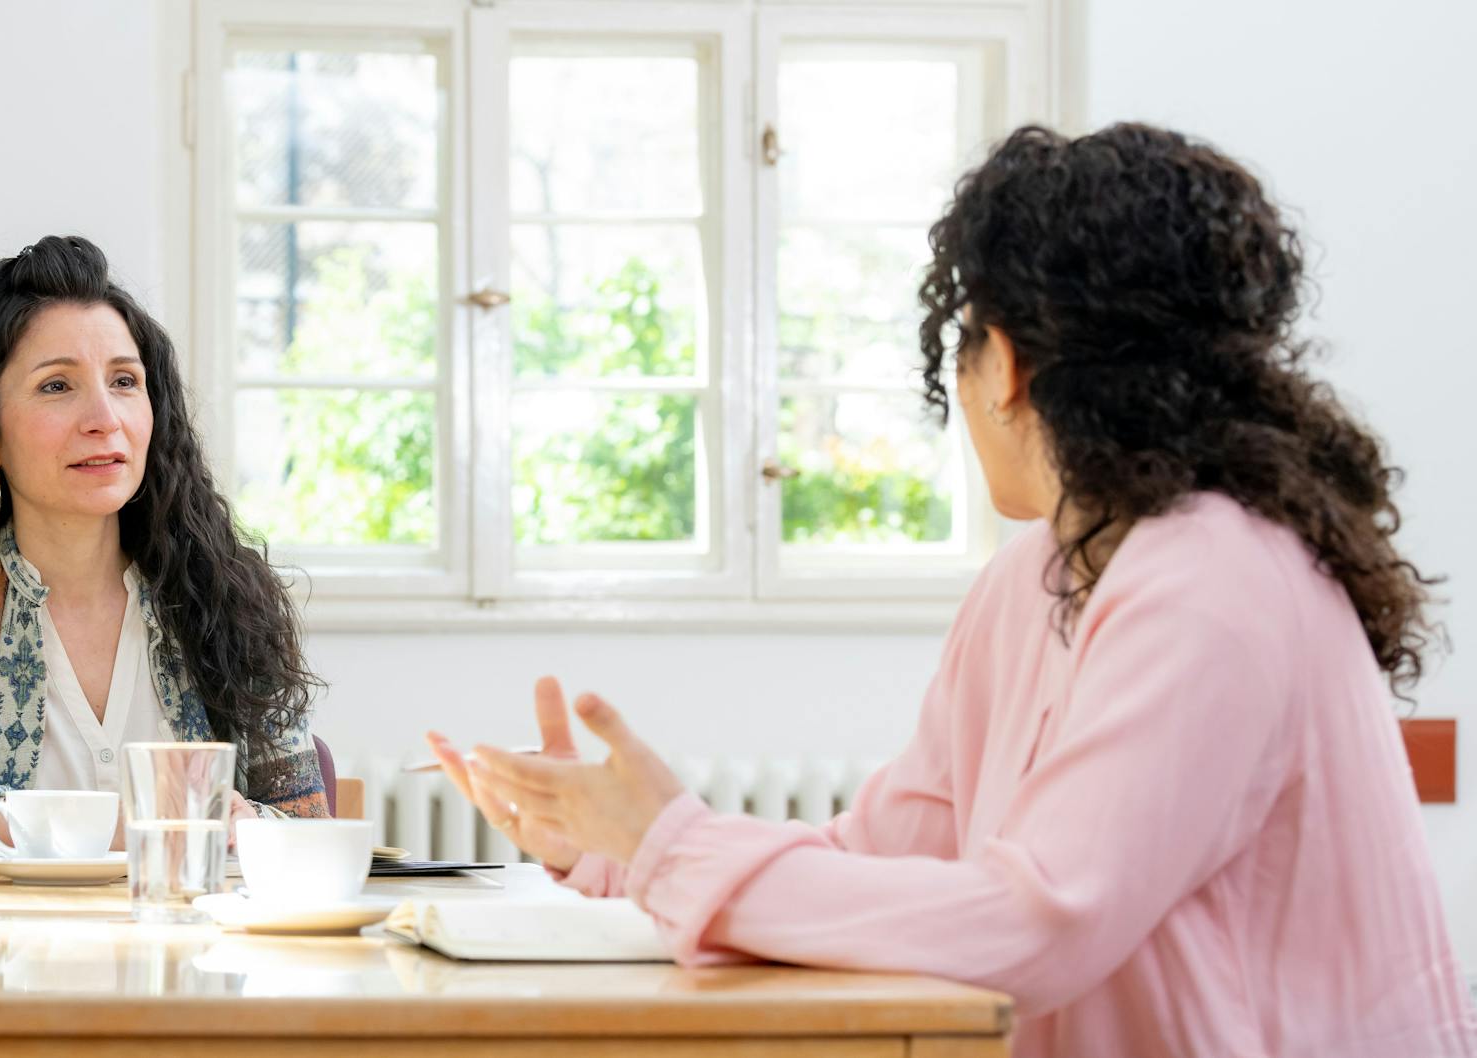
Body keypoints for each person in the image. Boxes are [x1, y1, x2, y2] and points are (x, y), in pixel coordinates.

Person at [428, 124, 1477, 1056]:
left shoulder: (1213, 574)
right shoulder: (1033, 576)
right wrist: (615, 849)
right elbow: (881, 858)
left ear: (1003, 362)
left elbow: (1036, 920)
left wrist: (671, 844)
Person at [0, 235, 328, 865]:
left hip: (182, 956)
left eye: (124, 381)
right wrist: (96, 824)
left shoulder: (227, 590)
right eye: (56, 387)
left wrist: (245, 823)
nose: (104, 416)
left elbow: (307, 829)